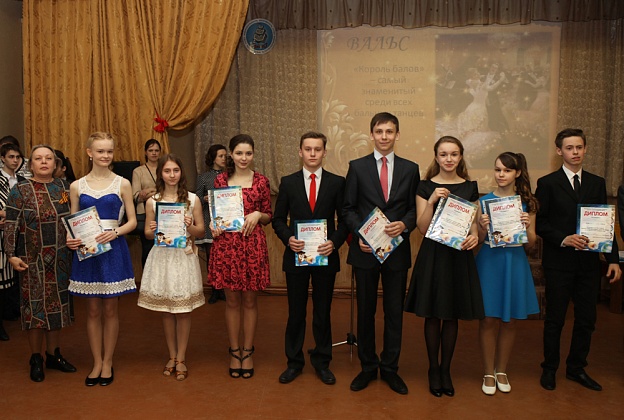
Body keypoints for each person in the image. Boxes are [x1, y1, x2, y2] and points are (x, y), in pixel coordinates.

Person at [536, 128, 621, 392]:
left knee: (586, 320)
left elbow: (605, 223)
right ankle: (549, 368)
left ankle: (576, 368)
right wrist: (564, 238)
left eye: (579, 147)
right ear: (559, 151)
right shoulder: (547, 183)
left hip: (588, 265)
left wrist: (613, 259)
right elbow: (541, 223)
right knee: (555, 319)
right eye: (570, 148)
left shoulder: (597, 183)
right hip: (558, 262)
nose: (575, 152)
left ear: (585, 149)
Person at [342, 112, 420, 395]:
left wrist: (406, 224)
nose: (384, 136)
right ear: (371, 134)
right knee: (365, 311)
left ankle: (389, 368)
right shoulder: (357, 167)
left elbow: (414, 209)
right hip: (365, 251)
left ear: (397, 135)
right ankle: (367, 367)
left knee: (394, 312)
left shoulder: (411, 169)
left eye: (389, 131)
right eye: (379, 131)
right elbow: (347, 208)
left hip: (396, 252)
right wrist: (360, 233)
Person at [405, 136, 484, 398]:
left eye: (454, 154)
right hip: (433, 255)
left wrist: (474, 236)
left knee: (451, 315)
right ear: (436, 157)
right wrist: (430, 201)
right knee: (433, 314)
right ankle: (433, 369)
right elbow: (422, 227)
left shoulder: (470, 187)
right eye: (443, 154)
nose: (449, 159)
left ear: (460, 156)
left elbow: (473, 225)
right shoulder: (425, 186)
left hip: (458, 256)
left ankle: (446, 370)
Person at [273, 131, 348, 385]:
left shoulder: (337, 182)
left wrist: (334, 242)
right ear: (300, 152)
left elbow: (345, 220)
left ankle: (322, 361)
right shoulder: (288, 182)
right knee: (296, 312)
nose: (313, 153)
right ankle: (294, 362)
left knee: (322, 312)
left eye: (317, 149)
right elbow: (278, 219)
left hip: (325, 257)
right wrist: (288, 238)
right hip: (297, 257)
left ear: (325, 152)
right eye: (308, 149)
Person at [67, 132, 137, 387]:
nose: (105, 155)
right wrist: (70, 239)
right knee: (93, 310)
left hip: (113, 249)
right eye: (100, 151)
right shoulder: (77, 186)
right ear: (89, 153)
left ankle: (108, 361)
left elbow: (132, 221)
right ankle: (96, 361)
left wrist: (115, 232)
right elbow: (72, 221)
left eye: (109, 151)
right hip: (87, 251)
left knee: (110, 309)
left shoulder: (122, 183)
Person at [3, 145, 76, 381]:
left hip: (60, 259)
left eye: (48, 158)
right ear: (31, 164)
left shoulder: (65, 188)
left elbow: (75, 220)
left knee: (57, 309)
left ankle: (53, 355)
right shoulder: (20, 190)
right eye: (38, 158)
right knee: (34, 311)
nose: (44, 162)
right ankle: (36, 358)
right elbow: (11, 224)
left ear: (56, 164)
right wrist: (11, 254)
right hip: (30, 260)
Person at [475, 152, 540, 395]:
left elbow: (531, 244)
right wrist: (482, 228)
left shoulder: (527, 203)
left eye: (507, 170)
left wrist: (527, 227)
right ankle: (487, 372)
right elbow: (478, 241)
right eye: (498, 170)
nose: (501, 175)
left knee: (510, 320)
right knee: (488, 319)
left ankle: (501, 370)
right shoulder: (483, 202)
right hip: (489, 262)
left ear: (517, 173)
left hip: (515, 262)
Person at [137, 154, 205, 381]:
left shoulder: (192, 199)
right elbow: (148, 234)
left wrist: (190, 226)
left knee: (183, 310)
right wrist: (153, 227)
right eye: (167, 171)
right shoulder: (153, 201)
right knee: (166, 310)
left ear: (181, 173)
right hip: (162, 257)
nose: (172, 175)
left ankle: (182, 357)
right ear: (161, 174)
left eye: (176, 170)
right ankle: (172, 355)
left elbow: (201, 232)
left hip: (183, 257)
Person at [209, 134, 271, 379]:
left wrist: (257, 214)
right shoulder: (220, 180)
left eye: (248, 153)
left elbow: (268, 215)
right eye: (239, 153)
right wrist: (214, 225)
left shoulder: (262, 181)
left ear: (253, 154)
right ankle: (234, 351)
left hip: (252, 246)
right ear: (231, 155)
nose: (244, 158)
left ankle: (248, 351)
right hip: (227, 246)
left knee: (250, 302)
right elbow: (216, 214)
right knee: (232, 302)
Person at [195, 144, 227, 304]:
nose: (224, 159)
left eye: (225, 156)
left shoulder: (230, 175)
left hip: (226, 221)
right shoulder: (203, 177)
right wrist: (205, 199)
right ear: (213, 158)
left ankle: (225, 288)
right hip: (209, 220)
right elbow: (196, 198)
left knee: (225, 257)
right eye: (221, 156)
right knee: (211, 257)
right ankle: (215, 289)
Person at [0, 142, 24, 324]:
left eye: (18, 157)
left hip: (20, 233)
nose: (15, 160)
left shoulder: (22, 181)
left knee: (16, 273)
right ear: (3, 158)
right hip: (2, 232)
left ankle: (14, 310)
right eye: (11, 157)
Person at [132, 139, 161, 267]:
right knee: (147, 250)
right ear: (145, 152)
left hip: (164, 213)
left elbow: (167, 191)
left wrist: (149, 191)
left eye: (156, 150)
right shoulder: (138, 171)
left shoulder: (165, 168)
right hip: (145, 213)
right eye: (151, 150)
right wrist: (156, 192)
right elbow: (136, 196)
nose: (154, 153)